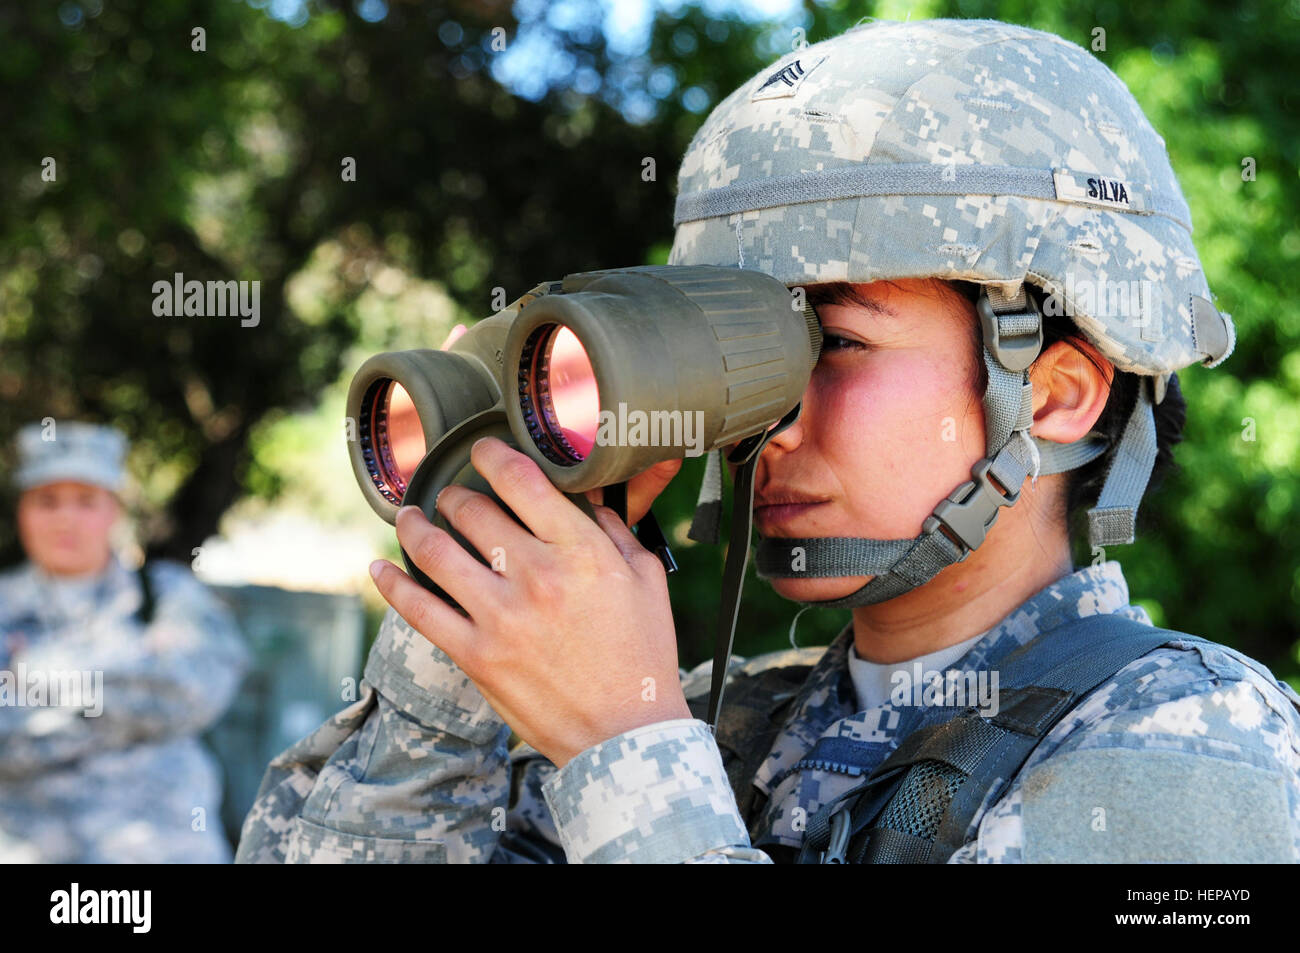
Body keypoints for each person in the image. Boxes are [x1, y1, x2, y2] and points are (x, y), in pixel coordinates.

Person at [236, 18, 1300, 864]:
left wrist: (626, 759)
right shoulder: (729, 716)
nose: (769, 421)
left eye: (833, 340)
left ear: (1057, 393)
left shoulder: (1192, 739)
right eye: (756, 354)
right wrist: (457, 651)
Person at [0, 420, 249, 863]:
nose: (65, 518)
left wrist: (38, 675)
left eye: (85, 501)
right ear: (22, 511)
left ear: (112, 510)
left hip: (164, 844)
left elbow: (194, 692)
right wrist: (134, 703)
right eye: (47, 500)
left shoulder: (166, 594)